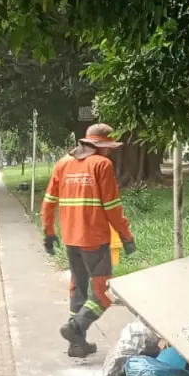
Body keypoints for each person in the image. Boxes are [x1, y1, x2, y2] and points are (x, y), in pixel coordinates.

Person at [40, 123, 136, 357]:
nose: (110, 152)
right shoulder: (102, 164)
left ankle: (77, 345)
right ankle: (75, 328)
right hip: (95, 240)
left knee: (79, 291)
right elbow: (112, 207)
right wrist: (126, 236)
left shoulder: (63, 164)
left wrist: (49, 232)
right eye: (108, 147)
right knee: (101, 295)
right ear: (100, 146)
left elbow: (48, 202)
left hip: (71, 240)